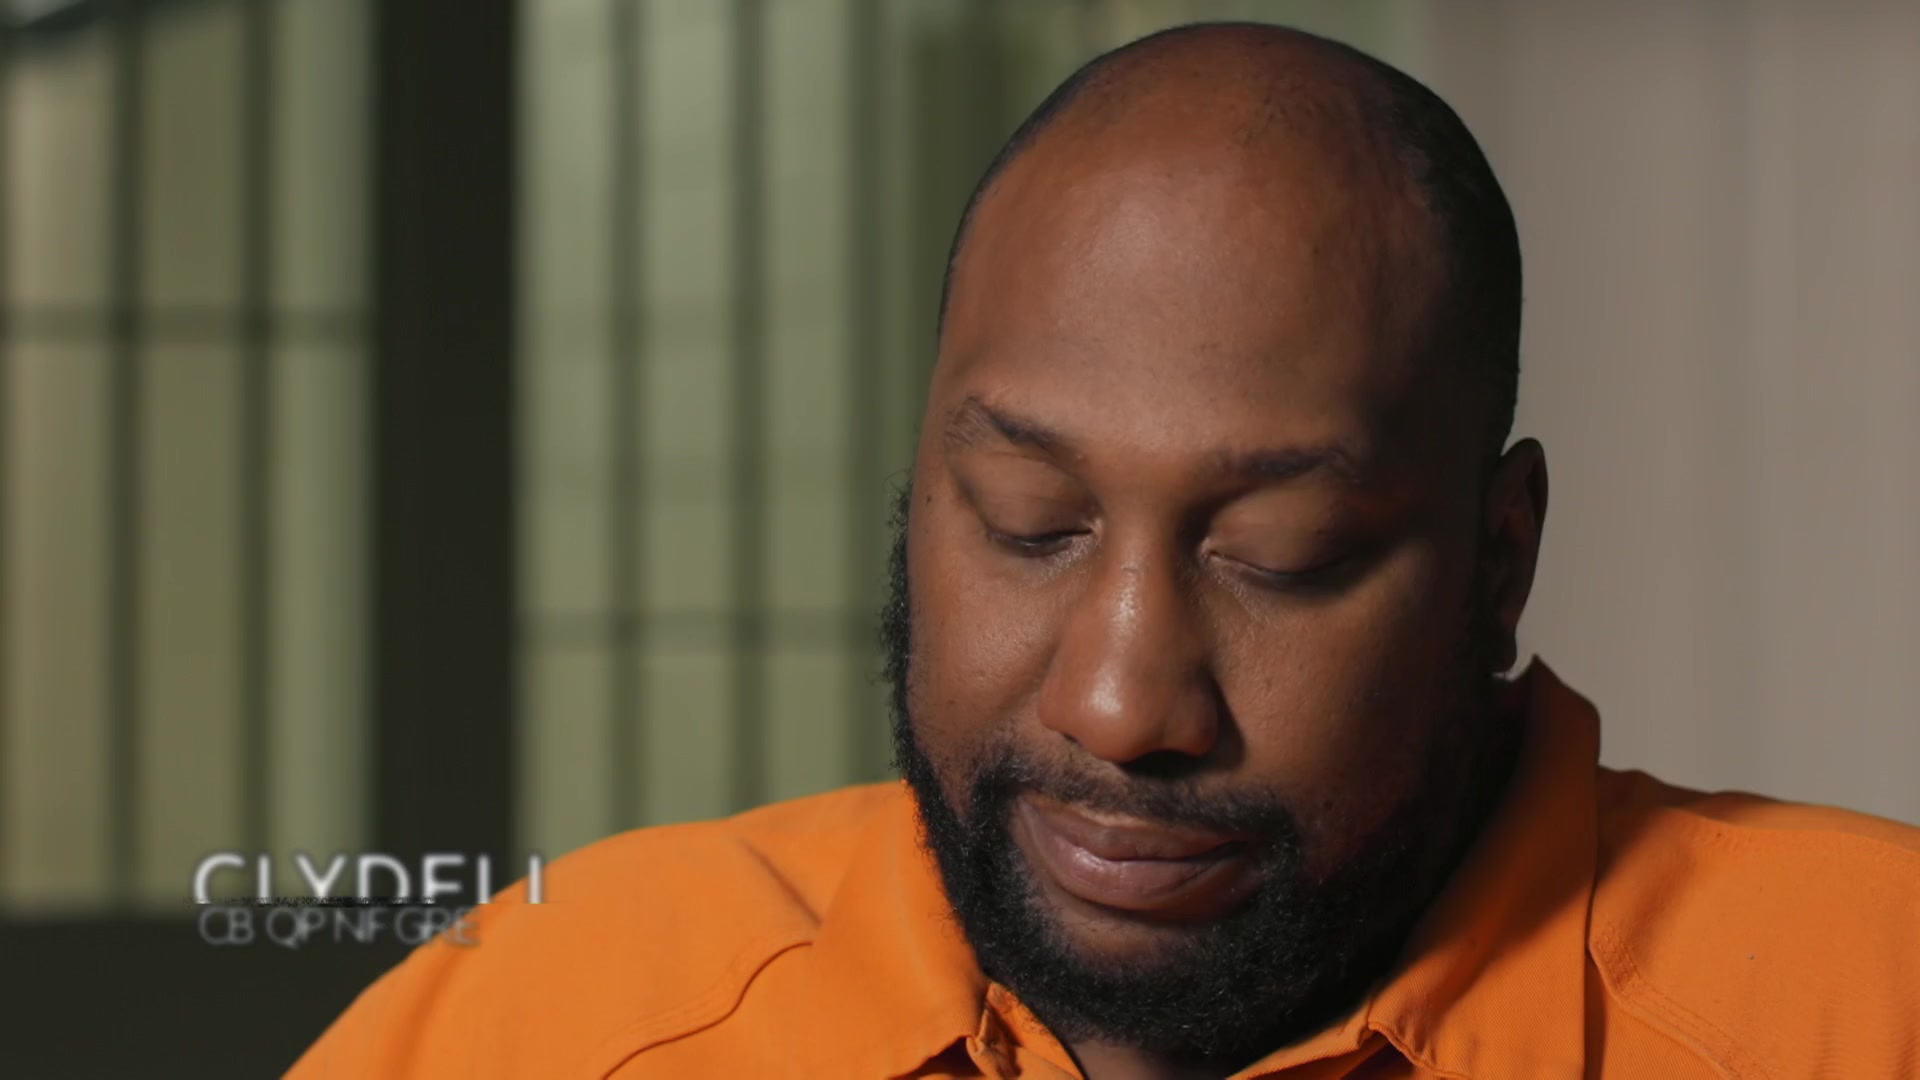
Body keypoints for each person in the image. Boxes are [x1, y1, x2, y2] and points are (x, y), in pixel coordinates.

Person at [289, 22, 1920, 1080]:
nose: (1124, 702)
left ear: (1499, 565)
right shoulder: (541, 1018)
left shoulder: (1866, 1004)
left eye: (1280, 554)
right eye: (1029, 525)